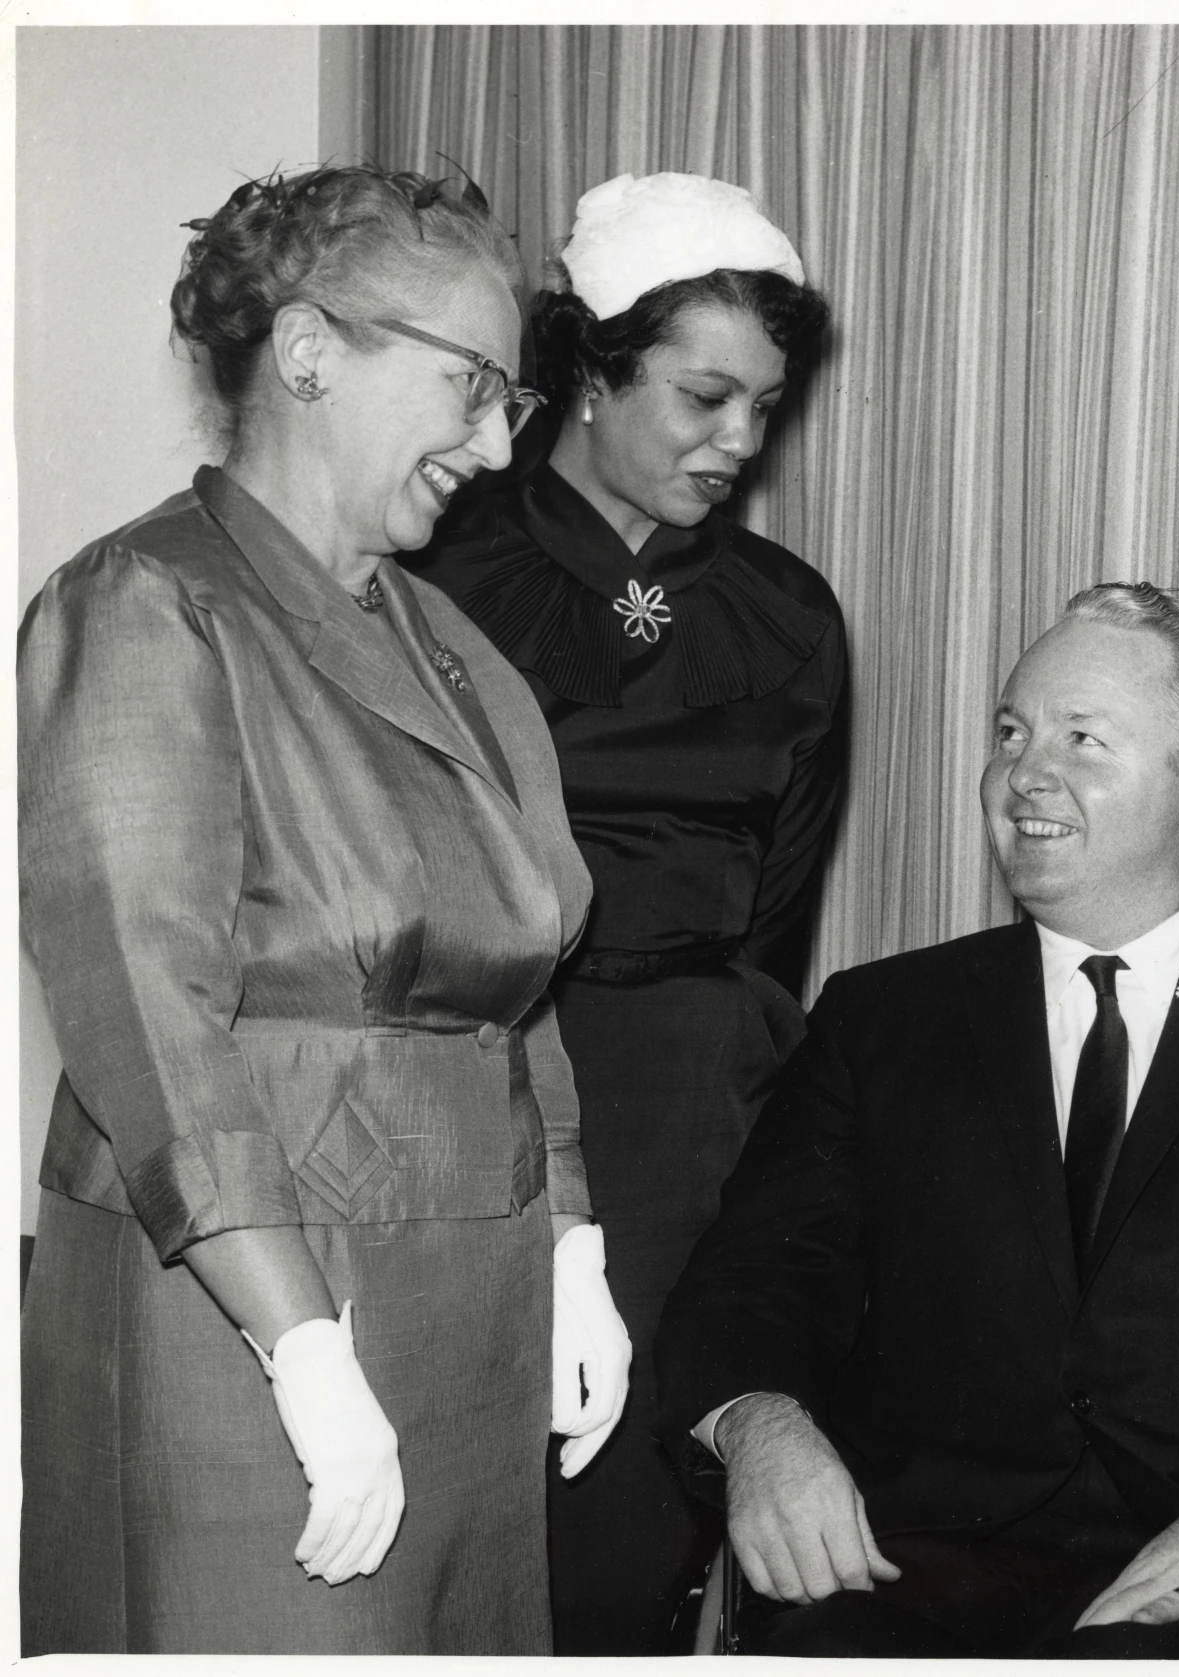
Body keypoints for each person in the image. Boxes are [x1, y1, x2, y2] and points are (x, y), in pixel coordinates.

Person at [655, 582, 1179, 1658]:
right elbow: (750, 1280)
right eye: (1011, 732)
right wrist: (762, 1429)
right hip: (910, 1566)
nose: (1027, 775)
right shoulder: (882, 1017)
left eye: (1082, 739)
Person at [17, 165, 632, 1655]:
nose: (495, 445)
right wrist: (297, 1341)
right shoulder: (146, 604)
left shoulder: (459, 652)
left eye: (515, 404)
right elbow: (145, 1013)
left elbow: (514, 990)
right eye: (473, 385)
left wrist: (569, 1246)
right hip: (246, 1303)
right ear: (308, 354)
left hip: (464, 1304)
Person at [405, 171, 845, 1654]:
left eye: (765, 407)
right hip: (464, 1084)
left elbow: (778, 909)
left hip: (681, 1114)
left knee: (623, 1532)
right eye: (704, 396)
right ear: (588, 370)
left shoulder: (791, 616)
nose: (742, 443)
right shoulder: (432, 566)